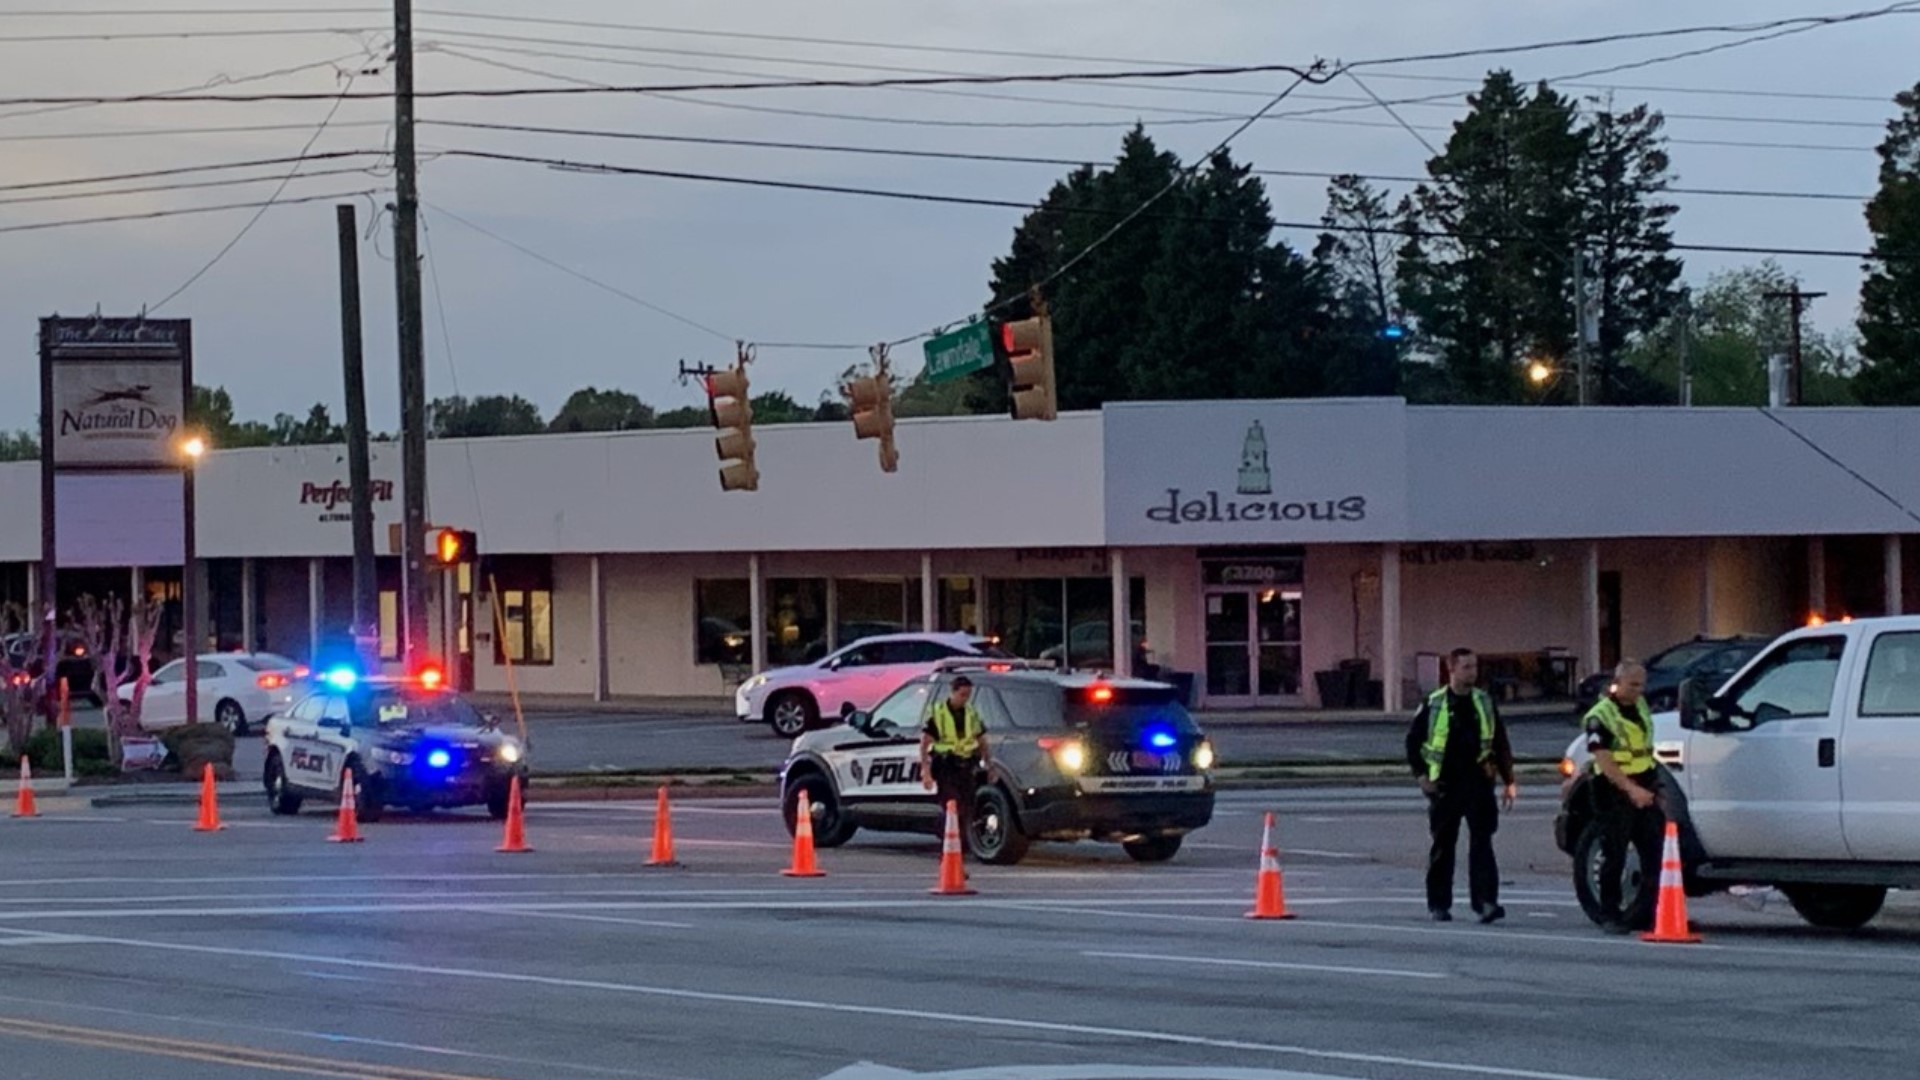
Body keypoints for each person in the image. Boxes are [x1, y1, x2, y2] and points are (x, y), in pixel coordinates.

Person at [1405, 648, 1517, 924]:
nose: (1472, 672)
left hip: (1479, 782)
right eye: (1466, 667)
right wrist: (1421, 776)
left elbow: (1499, 741)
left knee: (1483, 844)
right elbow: (1412, 742)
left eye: (1474, 666)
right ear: (1451, 669)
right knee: (1444, 845)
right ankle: (1439, 904)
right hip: (1445, 784)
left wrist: (1509, 780)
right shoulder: (1434, 703)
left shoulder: (1484, 702)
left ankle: (1486, 903)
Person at [1584, 659, 1664, 933]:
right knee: (1614, 852)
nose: (1638, 690)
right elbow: (1604, 761)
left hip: (1643, 783)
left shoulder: (1640, 707)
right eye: (1633, 685)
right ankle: (1609, 913)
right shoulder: (1600, 716)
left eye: (1642, 685)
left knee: (1654, 851)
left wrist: (1651, 786)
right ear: (1617, 683)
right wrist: (1632, 790)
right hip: (1613, 788)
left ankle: (1650, 912)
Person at [920, 676, 991, 838]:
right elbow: (924, 743)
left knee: (967, 805)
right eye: (962, 694)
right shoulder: (939, 713)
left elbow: (981, 740)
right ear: (952, 692)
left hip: (966, 766)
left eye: (968, 695)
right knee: (951, 803)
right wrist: (925, 770)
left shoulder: (971, 713)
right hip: (946, 765)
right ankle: (946, 837)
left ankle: (959, 840)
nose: (965, 699)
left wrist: (988, 763)